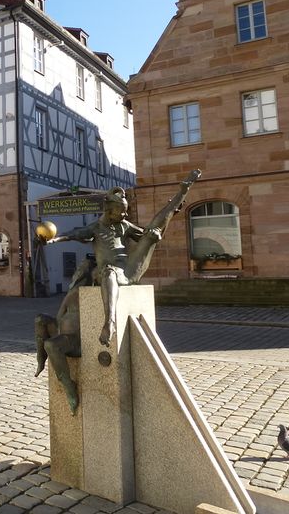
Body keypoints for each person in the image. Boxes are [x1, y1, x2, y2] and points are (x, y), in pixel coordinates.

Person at [49, 169, 201, 347]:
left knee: (152, 231)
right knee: (108, 271)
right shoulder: (96, 228)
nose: (125, 215)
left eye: (125, 211)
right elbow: (73, 234)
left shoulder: (124, 225)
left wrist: (164, 221)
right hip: (109, 274)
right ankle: (110, 322)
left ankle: (182, 192)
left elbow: (147, 233)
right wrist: (54, 239)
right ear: (109, 210)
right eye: (121, 212)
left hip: (129, 269)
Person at [34, 254, 96, 415]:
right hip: (65, 334)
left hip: (77, 339)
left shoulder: (92, 293)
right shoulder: (72, 294)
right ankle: (41, 360)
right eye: (79, 269)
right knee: (40, 319)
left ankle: (69, 386)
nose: (78, 272)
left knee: (51, 345)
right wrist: (57, 327)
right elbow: (59, 317)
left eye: (82, 269)